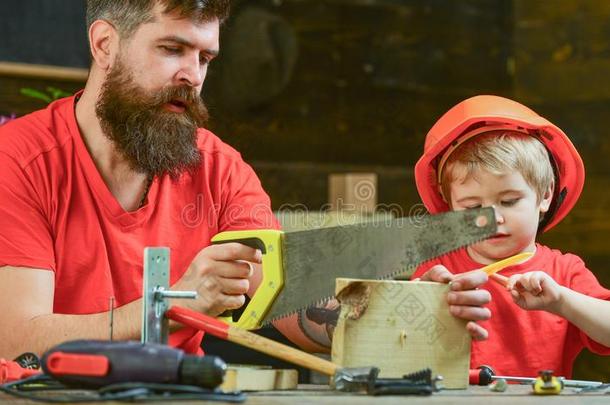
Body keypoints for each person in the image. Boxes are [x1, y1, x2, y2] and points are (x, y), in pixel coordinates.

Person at [0, 0, 491, 360]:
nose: (192, 75)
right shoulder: (17, 161)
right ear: (105, 44)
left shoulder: (220, 168)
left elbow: (283, 300)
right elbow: (17, 338)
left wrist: (404, 307)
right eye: (172, 49)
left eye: (205, 59)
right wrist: (172, 304)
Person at [412, 95, 610, 378]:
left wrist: (561, 301)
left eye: (508, 201)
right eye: (473, 207)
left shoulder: (564, 272)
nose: (492, 219)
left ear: (545, 195)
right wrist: (427, 301)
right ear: (451, 206)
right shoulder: (438, 270)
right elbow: (397, 339)